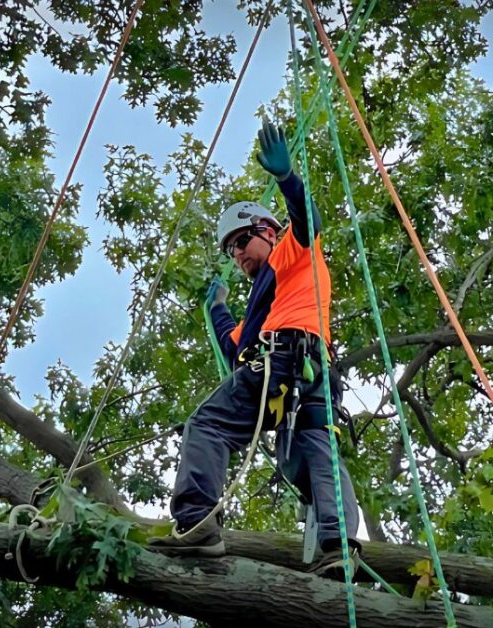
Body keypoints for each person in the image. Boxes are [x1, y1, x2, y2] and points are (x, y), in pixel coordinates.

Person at [148, 120, 360, 572]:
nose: (238, 254)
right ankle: (336, 548)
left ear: (268, 230)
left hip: (288, 360)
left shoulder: (290, 252)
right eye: (231, 251)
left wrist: (287, 178)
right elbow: (236, 348)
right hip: (304, 371)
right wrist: (218, 308)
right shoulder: (268, 300)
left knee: (207, 425)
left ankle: (197, 523)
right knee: (311, 454)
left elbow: (306, 219)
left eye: (242, 241)